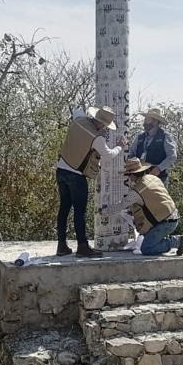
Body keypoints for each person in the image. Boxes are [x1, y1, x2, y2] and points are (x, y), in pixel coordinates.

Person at [56, 106, 123, 258]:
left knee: (64, 209)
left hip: (61, 169)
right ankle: (82, 246)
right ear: (103, 124)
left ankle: (61, 245)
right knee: (79, 212)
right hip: (76, 175)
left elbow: (77, 111)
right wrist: (121, 146)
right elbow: (108, 155)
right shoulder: (97, 138)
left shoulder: (78, 120)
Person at [113, 157, 183, 256]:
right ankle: (162, 240)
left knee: (146, 248)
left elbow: (120, 206)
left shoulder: (137, 191)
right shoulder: (153, 178)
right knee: (146, 236)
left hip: (164, 223)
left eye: (128, 175)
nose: (128, 178)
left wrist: (103, 210)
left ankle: (176, 242)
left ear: (133, 175)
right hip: (172, 217)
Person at [128, 107, 177, 187]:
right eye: (145, 119)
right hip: (140, 178)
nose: (144, 122)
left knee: (157, 199)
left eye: (147, 119)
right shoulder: (139, 137)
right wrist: (132, 170)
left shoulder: (165, 136)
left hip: (158, 179)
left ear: (155, 121)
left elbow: (172, 156)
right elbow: (131, 154)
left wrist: (158, 169)